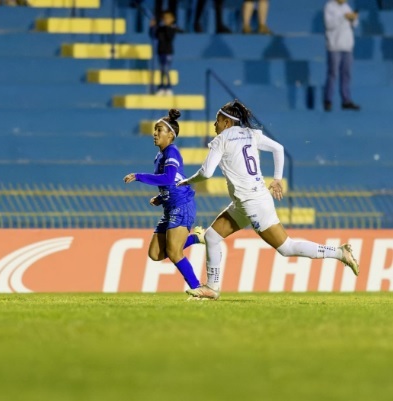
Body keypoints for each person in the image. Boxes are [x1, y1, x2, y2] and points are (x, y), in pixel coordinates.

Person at [177, 100, 360, 300]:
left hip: (252, 203)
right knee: (212, 237)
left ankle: (340, 252)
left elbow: (206, 172)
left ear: (227, 123)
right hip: (246, 201)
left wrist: (187, 181)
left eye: (217, 120)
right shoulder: (250, 134)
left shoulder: (222, 140)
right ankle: (212, 288)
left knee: (286, 247)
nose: (214, 125)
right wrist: (278, 179)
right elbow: (278, 149)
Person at [124, 109, 205, 291]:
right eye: (154, 129)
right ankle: (195, 238)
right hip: (170, 207)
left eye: (159, 129)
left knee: (174, 253)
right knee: (155, 254)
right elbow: (175, 180)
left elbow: (168, 178)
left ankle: (198, 288)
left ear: (171, 135)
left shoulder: (172, 152)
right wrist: (161, 198)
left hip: (182, 205)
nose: (155, 133)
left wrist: (138, 176)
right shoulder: (160, 156)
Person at [323, 0, 360, 111]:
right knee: (333, 73)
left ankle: (346, 100)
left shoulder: (346, 7)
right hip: (334, 46)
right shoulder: (329, 6)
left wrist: (353, 18)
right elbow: (328, 24)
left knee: (346, 74)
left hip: (347, 46)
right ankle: (328, 100)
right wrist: (343, 17)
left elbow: (355, 24)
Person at [149, 10, 183, 96]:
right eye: (164, 18)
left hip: (168, 52)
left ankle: (168, 87)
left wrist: (167, 27)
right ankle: (161, 87)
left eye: (168, 19)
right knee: (161, 69)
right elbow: (154, 35)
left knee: (166, 69)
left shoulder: (172, 28)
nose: (166, 20)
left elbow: (169, 37)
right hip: (160, 51)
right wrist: (152, 27)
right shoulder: (160, 28)